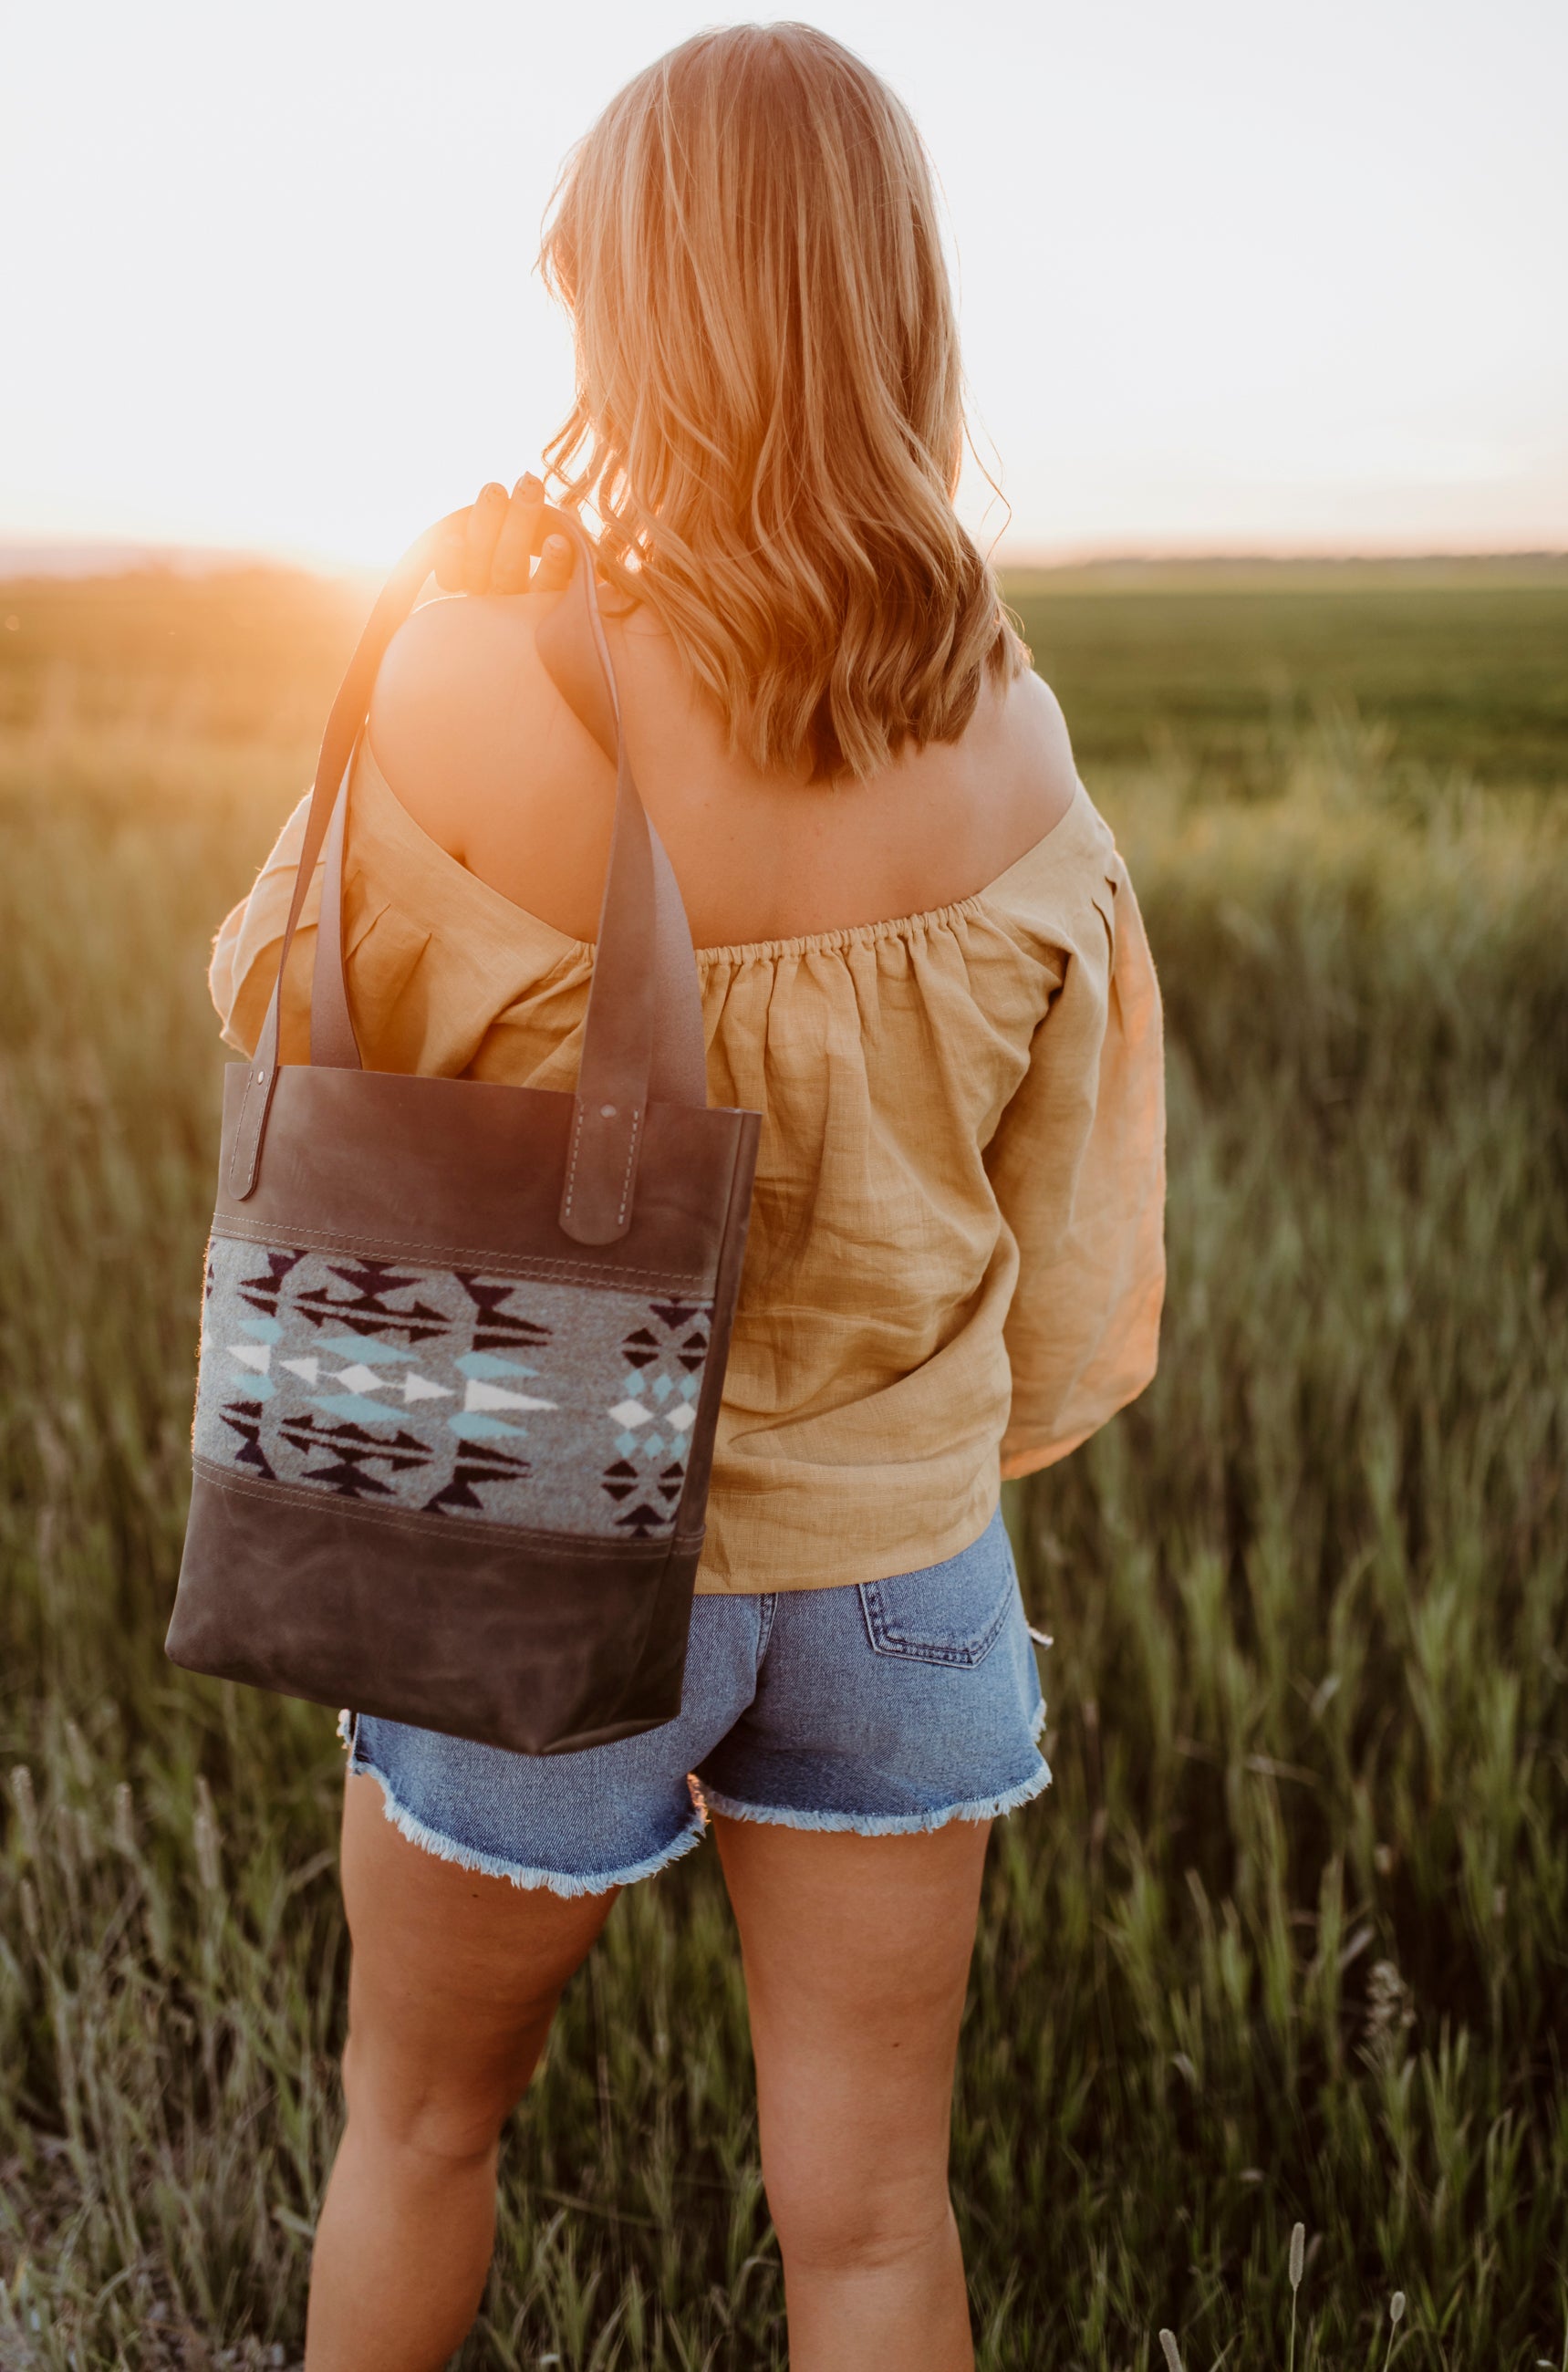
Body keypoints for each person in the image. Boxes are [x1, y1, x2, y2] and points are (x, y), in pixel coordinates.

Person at [209, 24, 1166, 2370]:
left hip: (526, 1532)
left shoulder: (477, 667)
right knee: (866, 2219)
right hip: (899, 1562)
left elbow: (272, 1011)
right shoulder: (1013, 725)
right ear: (891, 306)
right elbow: (1071, 1245)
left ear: (628, 309)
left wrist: (400, 655)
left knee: (421, 2125)